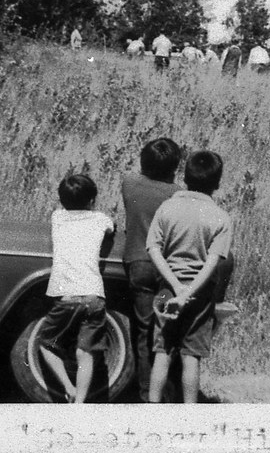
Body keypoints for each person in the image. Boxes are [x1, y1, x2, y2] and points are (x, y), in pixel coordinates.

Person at [146, 150, 233, 404]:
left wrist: (175, 287)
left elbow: (153, 248)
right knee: (191, 356)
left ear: (184, 177)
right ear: (217, 183)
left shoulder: (167, 208)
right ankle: (189, 414)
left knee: (162, 352)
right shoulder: (220, 217)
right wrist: (188, 292)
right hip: (200, 293)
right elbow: (212, 263)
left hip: (167, 288)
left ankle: (152, 409)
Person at [38, 174, 114, 403]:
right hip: (94, 295)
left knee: (46, 343)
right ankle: (79, 403)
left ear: (62, 200)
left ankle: (68, 387)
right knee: (85, 352)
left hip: (67, 296)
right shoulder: (100, 219)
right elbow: (111, 228)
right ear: (92, 200)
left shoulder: (57, 217)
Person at [120, 138, 183, 401]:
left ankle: (147, 393)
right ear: (174, 168)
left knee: (144, 331)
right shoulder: (177, 194)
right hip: (168, 266)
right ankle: (169, 391)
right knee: (167, 330)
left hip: (138, 261)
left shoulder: (129, 183)